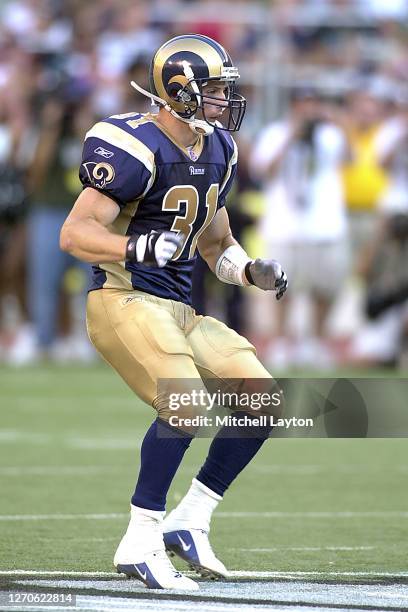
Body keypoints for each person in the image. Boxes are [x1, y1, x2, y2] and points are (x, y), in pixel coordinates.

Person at [60, 34, 287, 591]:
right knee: (186, 407)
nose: (224, 101)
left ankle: (191, 519)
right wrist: (132, 247)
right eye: (212, 90)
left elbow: (215, 242)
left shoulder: (219, 150)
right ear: (178, 91)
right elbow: (75, 233)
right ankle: (141, 537)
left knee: (262, 401)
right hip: (122, 297)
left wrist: (248, 269)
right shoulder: (132, 145)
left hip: (177, 306)